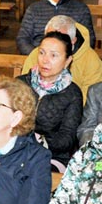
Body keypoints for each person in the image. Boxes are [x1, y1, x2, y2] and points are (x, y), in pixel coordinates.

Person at [18, 31, 83, 168]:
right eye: (42, 53)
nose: (45, 60)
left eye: (54, 55)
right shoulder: (19, 84)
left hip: (52, 156)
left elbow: (67, 139)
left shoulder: (72, 93)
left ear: (67, 61)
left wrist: (37, 140)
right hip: (15, 150)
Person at [17, 0, 95, 55]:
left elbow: (89, 41)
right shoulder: (34, 9)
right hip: (38, 60)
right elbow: (22, 39)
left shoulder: (81, 9)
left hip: (71, 62)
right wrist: (38, 56)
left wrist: (66, 59)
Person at [21, 14, 102, 97]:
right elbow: (23, 91)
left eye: (60, 39)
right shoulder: (35, 54)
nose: (45, 60)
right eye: (49, 37)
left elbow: (90, 100)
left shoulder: (92, 62)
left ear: (73, 40)